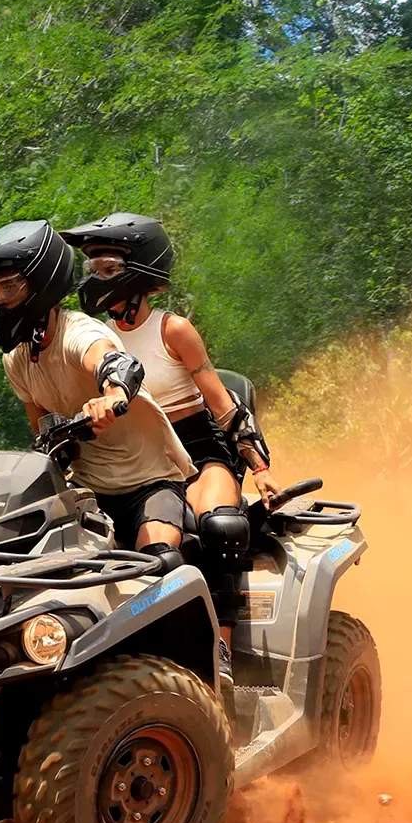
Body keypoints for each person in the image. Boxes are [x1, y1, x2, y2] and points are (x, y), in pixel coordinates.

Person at [59, 212, 280, 657]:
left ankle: (222, 650)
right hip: (134, 457)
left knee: (221, 526)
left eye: (108, 270)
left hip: (196, 449)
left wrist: (260, 470)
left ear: (140, 271)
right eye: (92, 270)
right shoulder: (90, 338)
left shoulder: (172, 329)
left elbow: (221, 404)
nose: (96, 280)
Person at [0, 219, 194, 556]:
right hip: (84, 491)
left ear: (41, 282)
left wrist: (113, 395)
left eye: (8, 286)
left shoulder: (78, 333)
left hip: (148, 484)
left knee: (158, 562)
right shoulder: (16, 358)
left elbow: (113, 361)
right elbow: (41, 430)